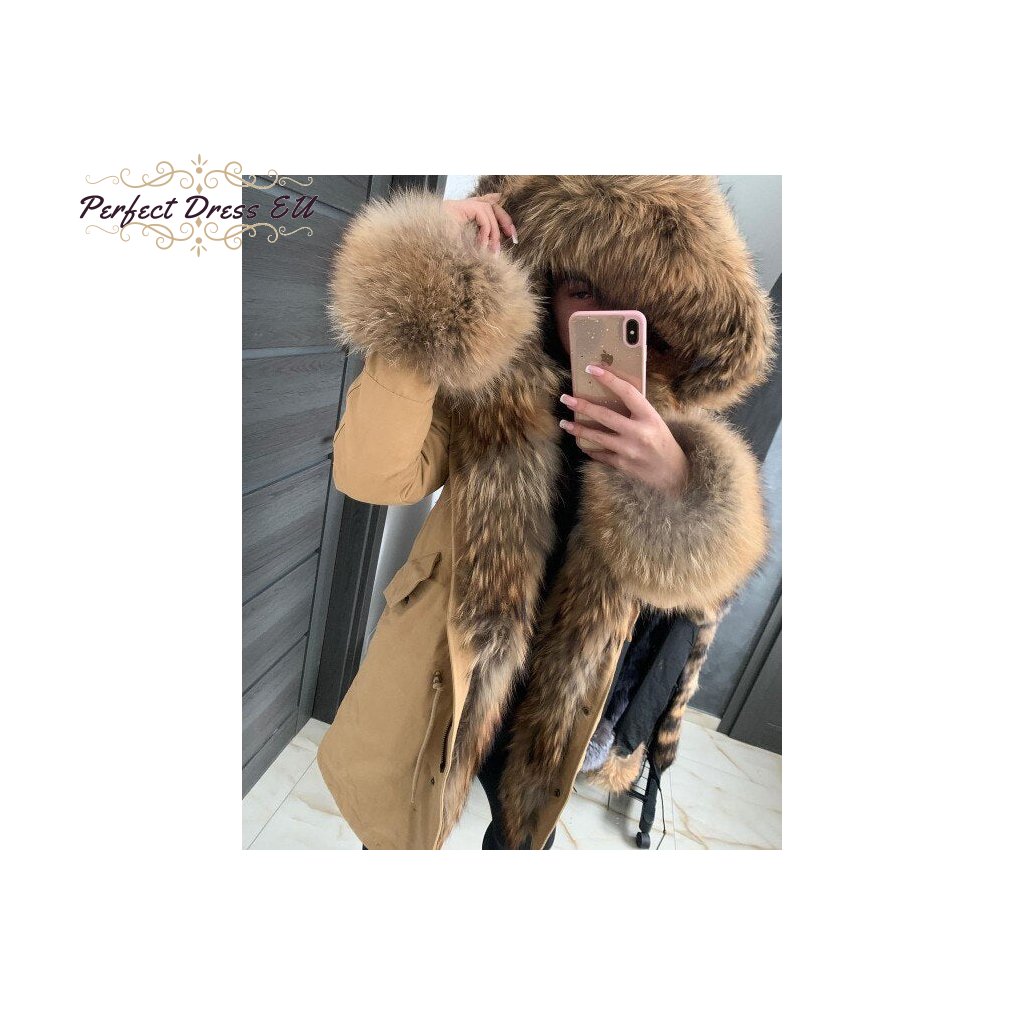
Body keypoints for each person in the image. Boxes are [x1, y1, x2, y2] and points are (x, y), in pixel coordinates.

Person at [318, 176, 774, 850]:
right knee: (400, 830)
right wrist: (427, 291)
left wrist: (676, 482)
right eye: (582, 289)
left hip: (562, 699)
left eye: (631, 296)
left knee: (522, 836)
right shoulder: (482, 384)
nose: (603, 315)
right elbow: (371, 475)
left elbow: (703, 589)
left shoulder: (676, 431)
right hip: (450, 670)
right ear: (546, 281)